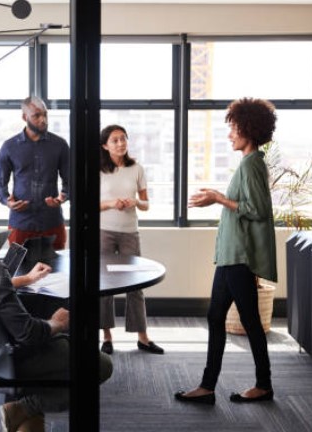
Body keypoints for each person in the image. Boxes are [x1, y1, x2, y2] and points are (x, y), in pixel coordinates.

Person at [0, 185, 113, 432]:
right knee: (99, 364)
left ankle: (24, 411)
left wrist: (24, 280)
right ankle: (24, 407)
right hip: (8, 358)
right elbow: (28, 334)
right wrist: (57, 323)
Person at [175, 97, 277, 405]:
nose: (230, 134)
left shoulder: (251, 164)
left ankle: (263, 385)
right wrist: (217, 198)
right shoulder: (248, 163)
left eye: (234, 128)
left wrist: (218, 198)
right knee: (215, 315)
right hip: (231, 255)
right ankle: (207, 386)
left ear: (249, 128)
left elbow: (257, 210)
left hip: (239, 257)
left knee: (249, 321)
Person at [98, 125, 164, 356]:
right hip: (104, 231)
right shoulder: (99, 170)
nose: (120, 143)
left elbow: (146, 204)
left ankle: (142, 338)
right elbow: (89, 204)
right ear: (105, 145)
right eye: (114, 140)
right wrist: (111, 204)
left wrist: (135, 202)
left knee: (136, 285)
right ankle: (106, 337)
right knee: (104, 286)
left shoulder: (137, 168)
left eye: (123, 139)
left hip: (129, 231)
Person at [0, 96, 69, 250]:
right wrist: (8, 202)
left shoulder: (60, 145)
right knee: (19, 271)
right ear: (24, 117)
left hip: (52, 222)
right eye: (36, 116)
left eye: (45, 115)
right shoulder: (9, 146)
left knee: (57, 273)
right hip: (20, 224)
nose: (43, 120)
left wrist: (62, 198)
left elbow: (71, 181)